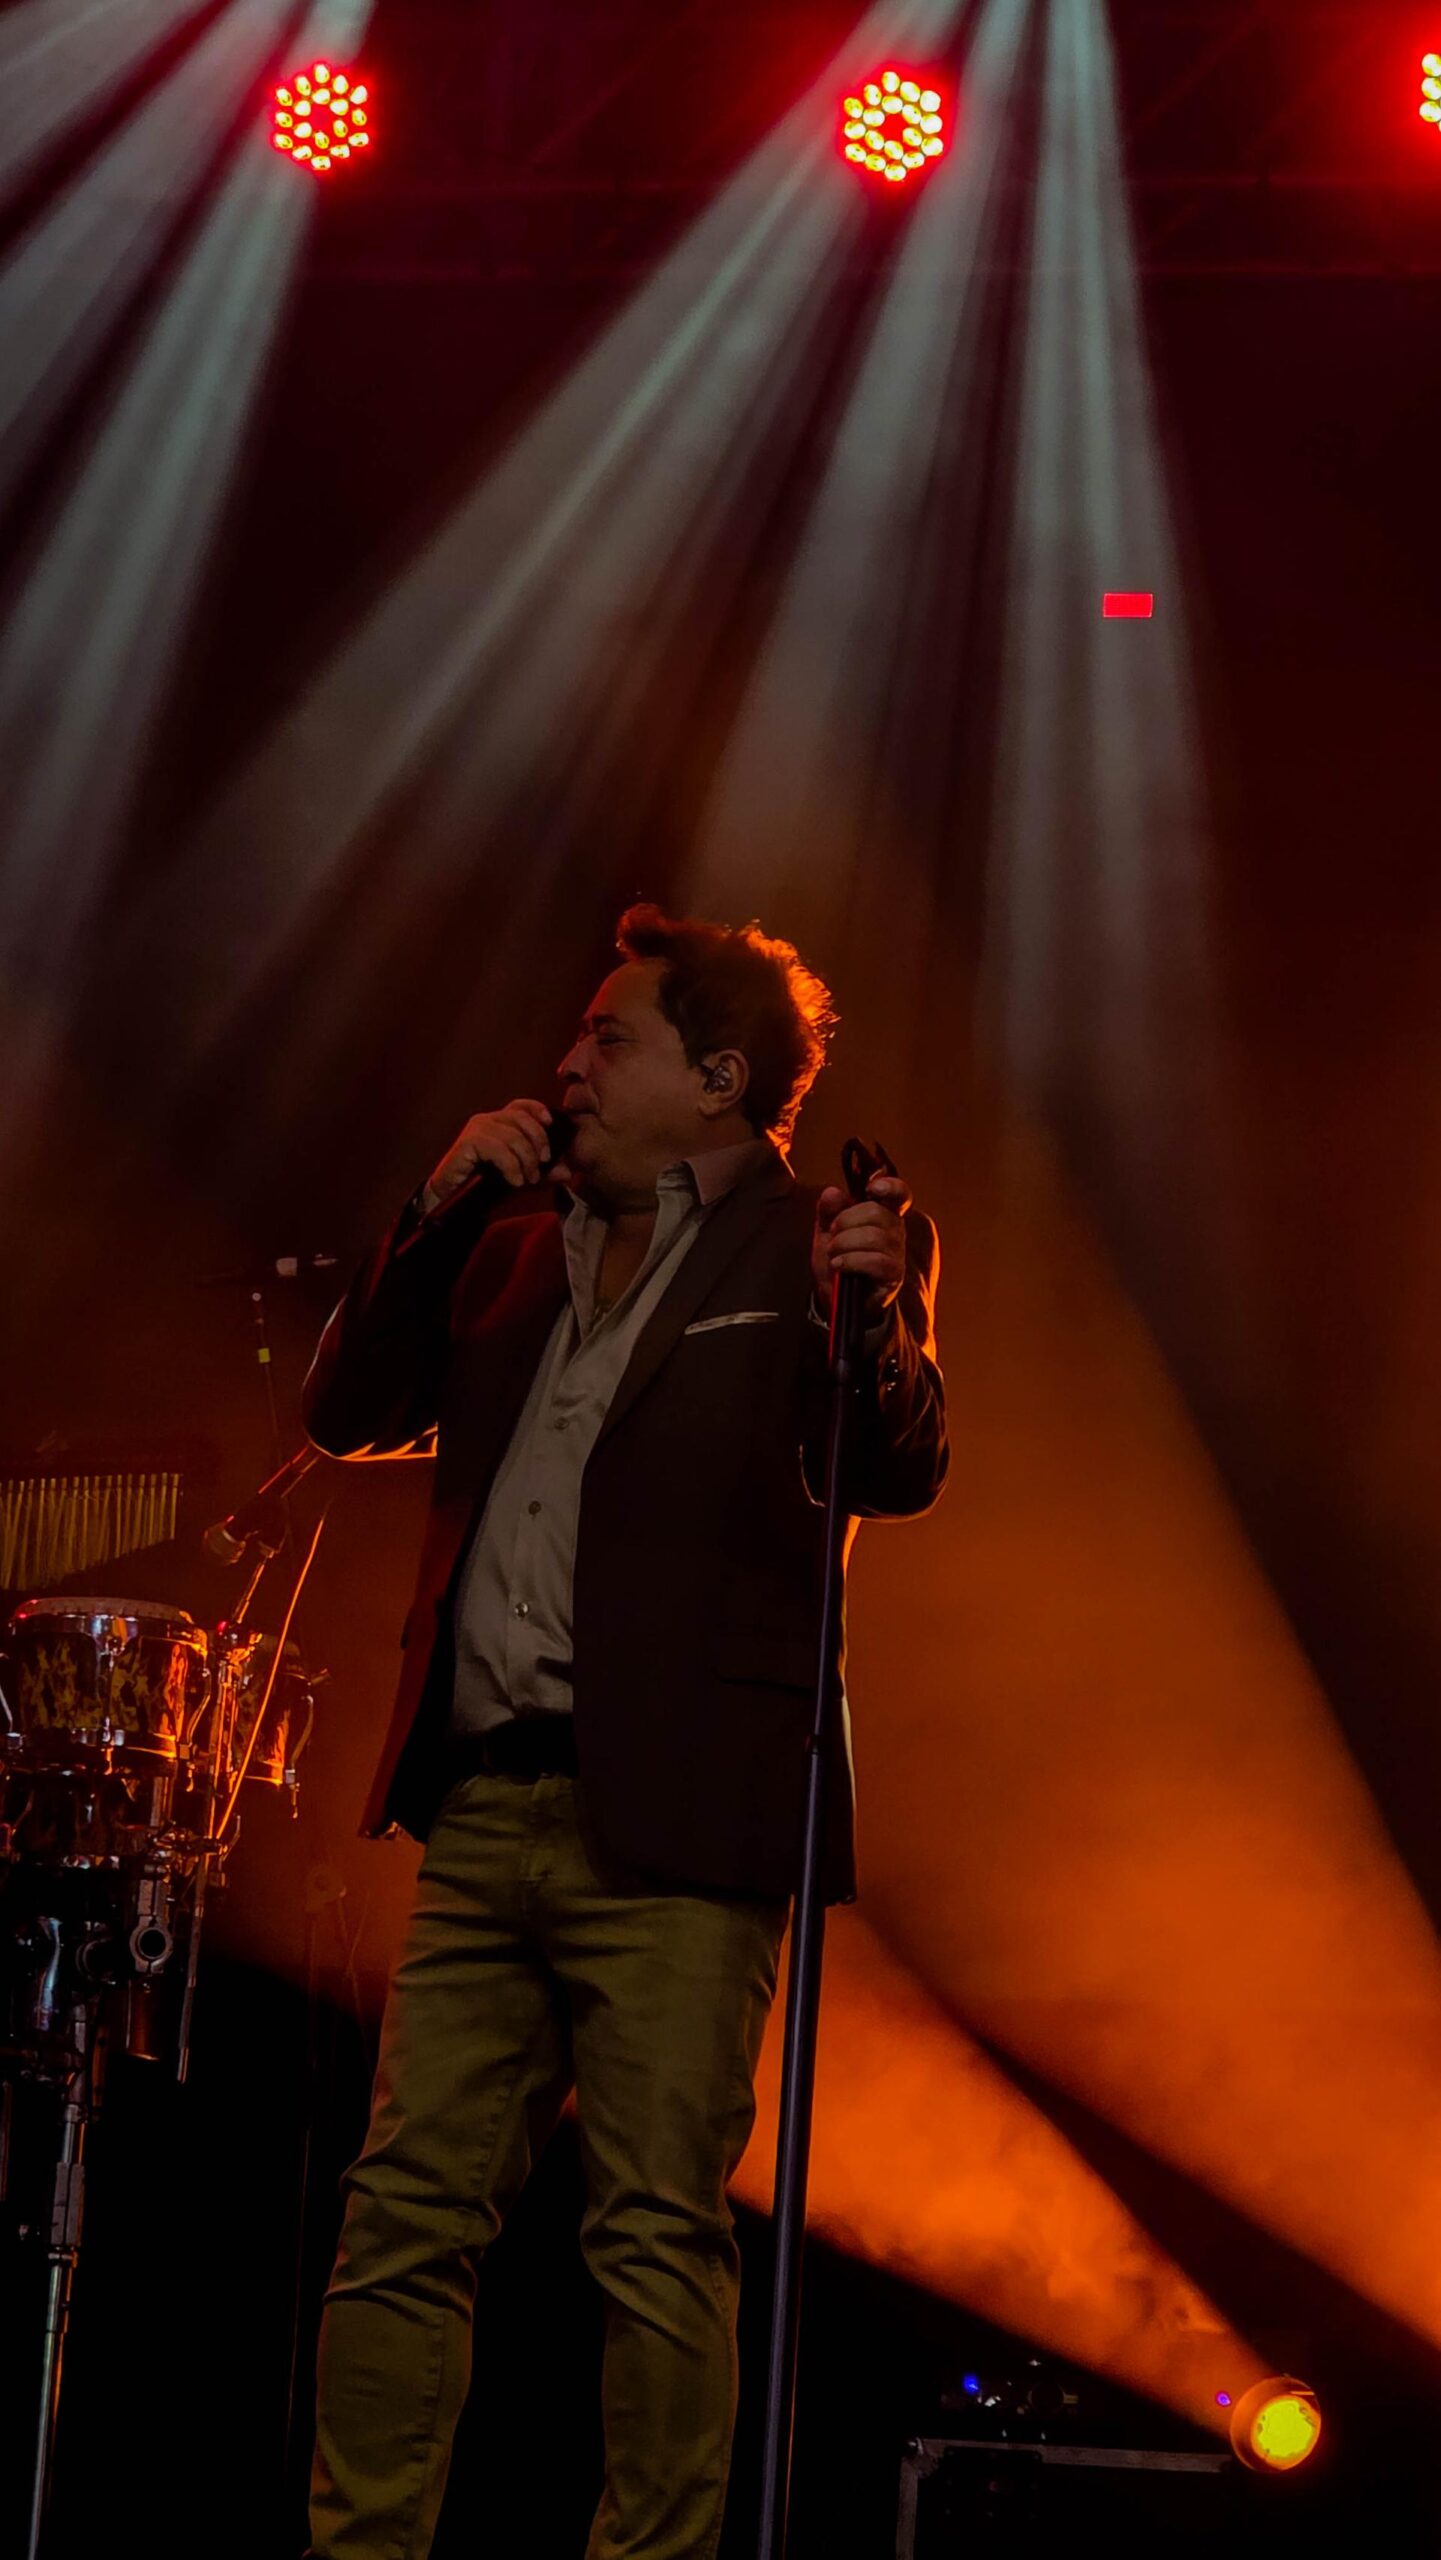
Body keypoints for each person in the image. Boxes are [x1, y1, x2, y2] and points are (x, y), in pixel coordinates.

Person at [301, 904, 948, 2560]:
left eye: (608, 1038)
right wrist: (434, 1209)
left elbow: (893, 1464)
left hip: (678, 1820)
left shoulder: (816, 1239)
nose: (567, 1065)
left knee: (654, 2229)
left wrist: (874, 1316)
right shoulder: (509, 1244)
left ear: (719, 1077)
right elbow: (348, 1414)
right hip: (483, 1805)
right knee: (400, 2221)